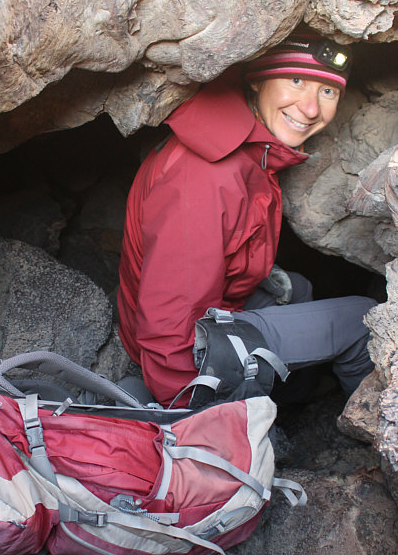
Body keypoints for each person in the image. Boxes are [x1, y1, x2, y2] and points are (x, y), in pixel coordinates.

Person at [117, 34, 376, 407]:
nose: (310, 108)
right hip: (188, 352)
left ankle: (288, 402)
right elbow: (168, 329)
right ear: (257, 80)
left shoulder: (244, 144)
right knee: (363, 322)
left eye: (328, 92)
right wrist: (194, 408)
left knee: (298, 289)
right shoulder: (207, 176)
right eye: (297, 81)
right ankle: (371, 433)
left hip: (208, 311)